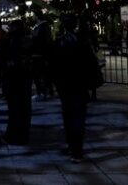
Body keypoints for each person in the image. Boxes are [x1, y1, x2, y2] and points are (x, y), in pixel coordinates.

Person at [49, 13, 96, 163]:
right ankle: (77, 150)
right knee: (79, 117)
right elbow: (91, 63)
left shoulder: (59, 42)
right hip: (80, 83)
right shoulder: (83, 42)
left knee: (68, 115)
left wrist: (55, 82)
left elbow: (53, 64)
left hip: (65, 84)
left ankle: (71, 146)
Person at [0, 19, 32, 145]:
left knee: (13, 109)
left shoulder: (7, 41)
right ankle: (23, 135)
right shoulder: (27, 41)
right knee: (24, 108)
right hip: (24, 78)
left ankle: (12, 135)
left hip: (11, 78)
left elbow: (1, 59)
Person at [30, 9, 53, 101]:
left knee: (40, 75)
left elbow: (45, 42)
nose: (32, 17)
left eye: (33, 15)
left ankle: (42, 93)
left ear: (37, 16)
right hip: (39, 55)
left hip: (40, 55)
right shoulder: (40, 27)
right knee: (41, 75)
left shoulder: (42, 27)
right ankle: (44, 91)